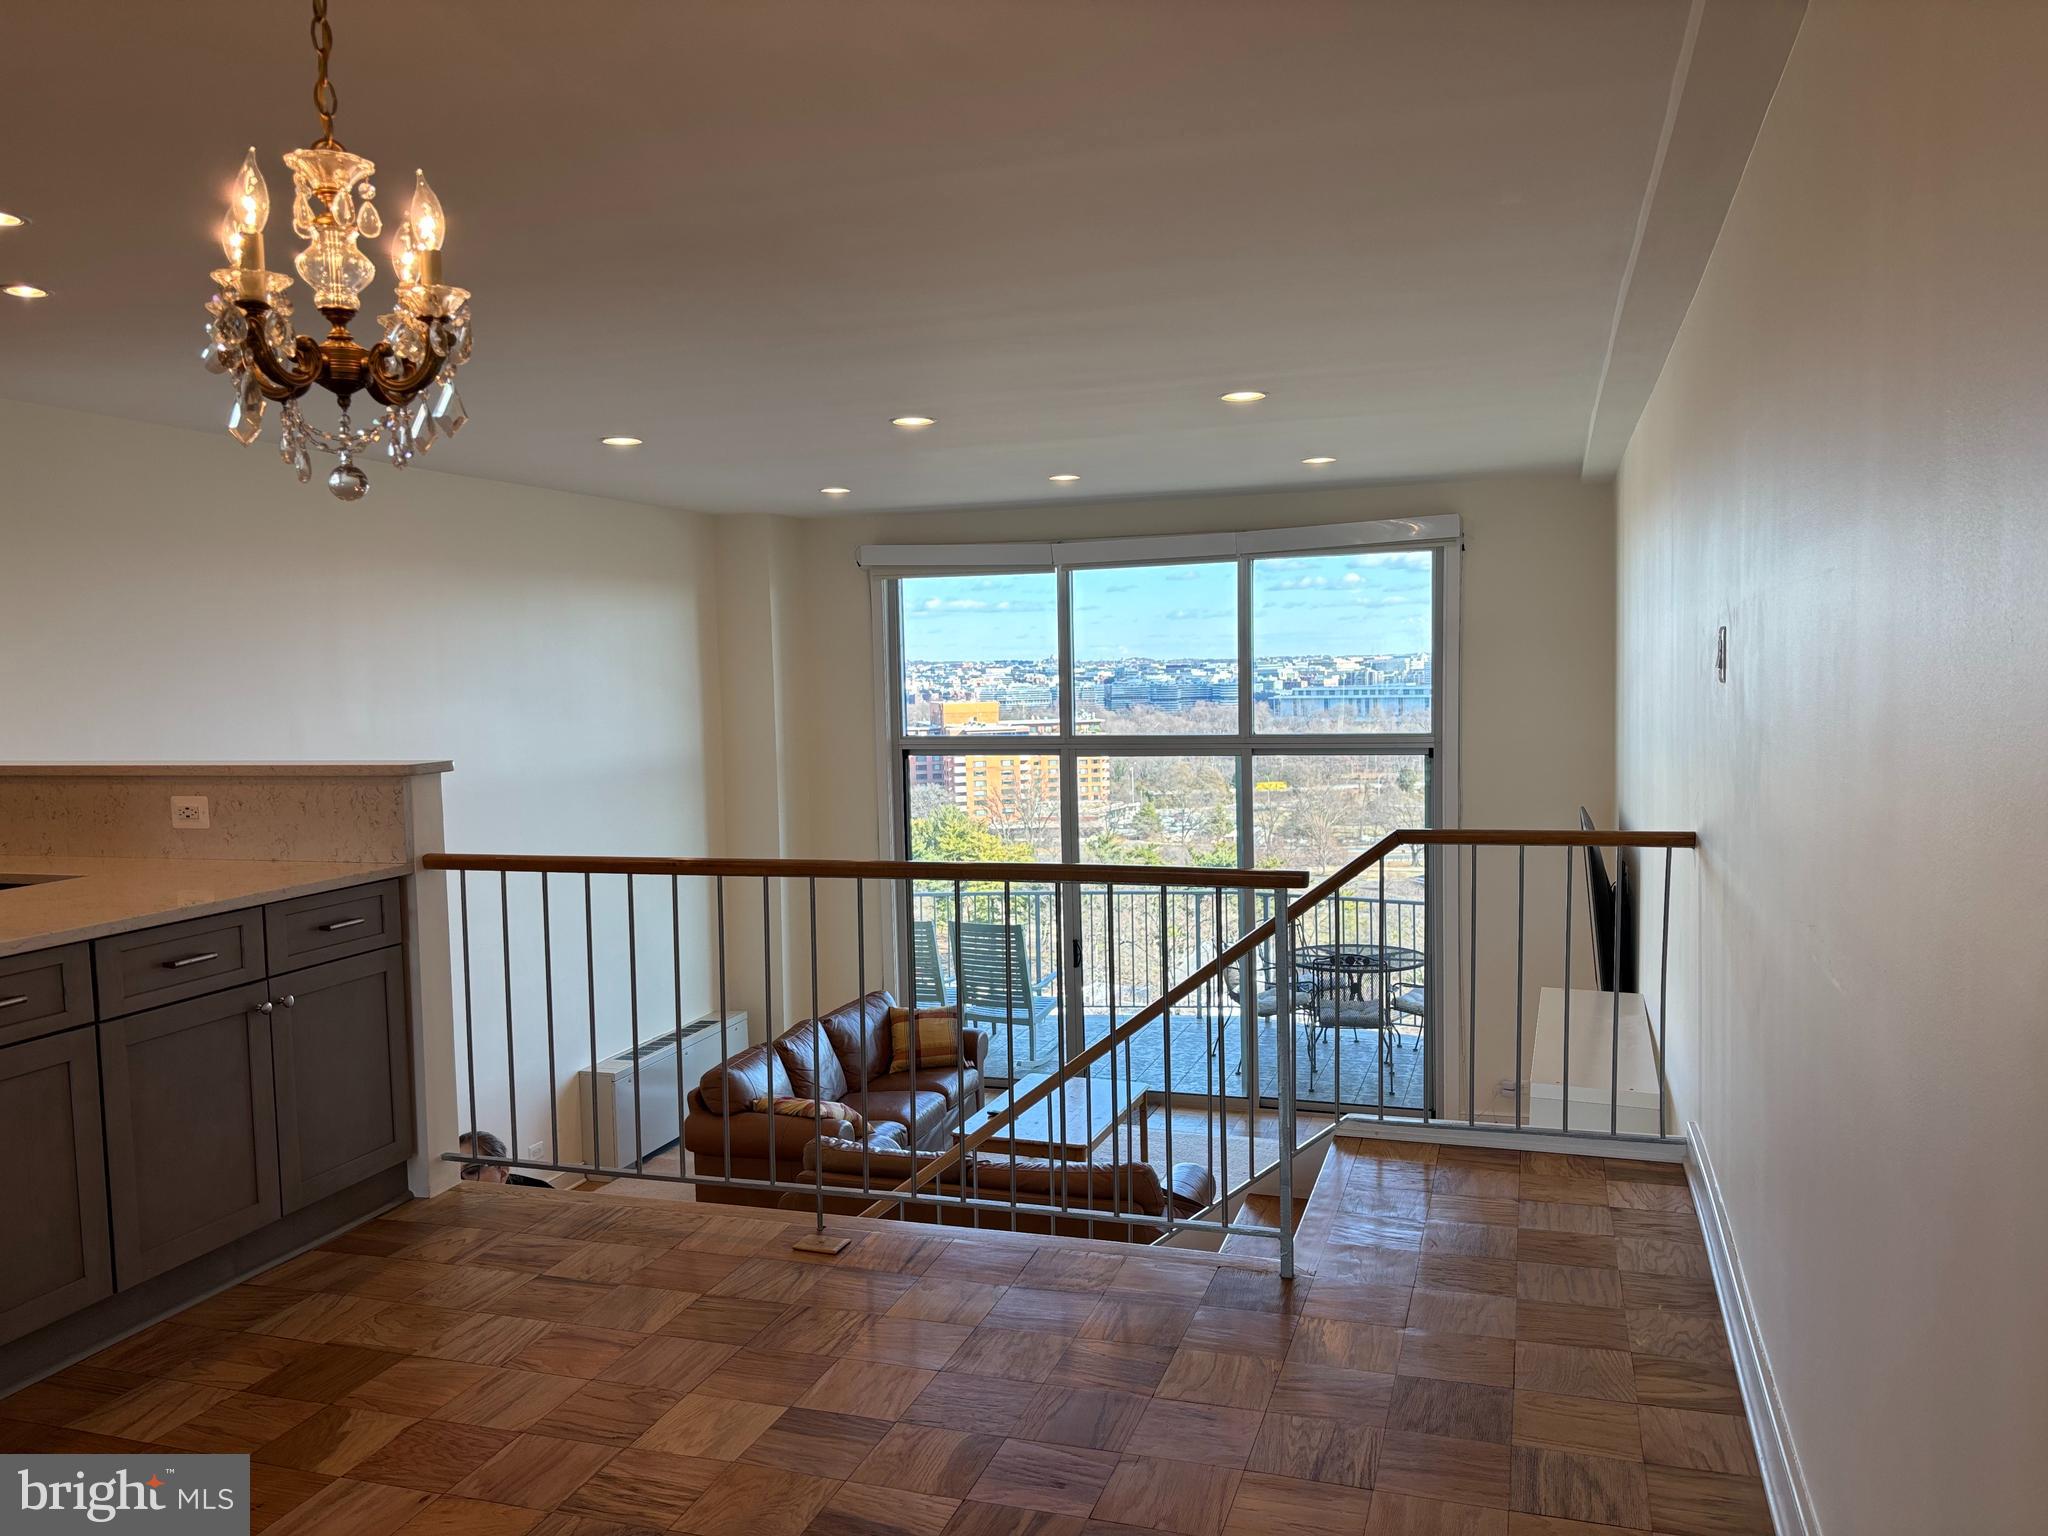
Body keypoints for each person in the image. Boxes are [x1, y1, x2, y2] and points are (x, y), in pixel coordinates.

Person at [458, 1129, 550, 1187]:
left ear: (502, 1172)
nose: (460, 1181)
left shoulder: (542, 1193)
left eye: (471, 1171)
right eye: (453, 1174)